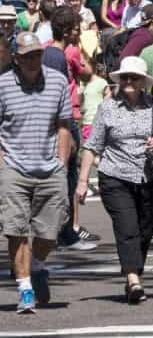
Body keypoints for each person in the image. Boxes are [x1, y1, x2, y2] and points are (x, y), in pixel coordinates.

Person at [76, 56, 153, 305]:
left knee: (146, 228)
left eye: (134, 77)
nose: (128, 81)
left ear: (144, 81)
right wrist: (82, 181)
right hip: (115, 176)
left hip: (149, 176)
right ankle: (133, 279)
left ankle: (134, 272)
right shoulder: (108, 108)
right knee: (127, 226)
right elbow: (92, 146)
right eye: (124, 77)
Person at [0, 32, 74, 314]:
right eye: (27, 56)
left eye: (37, 55)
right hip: (14, 169)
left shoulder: (56, 82)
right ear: (16, 59)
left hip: (50, 167)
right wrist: (2, 165)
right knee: (15, 231)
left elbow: (64, 125)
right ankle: (25, 289)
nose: (34, 60)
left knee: (50, 231)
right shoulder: (3, 85)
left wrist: (62, 163)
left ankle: (37, 266)